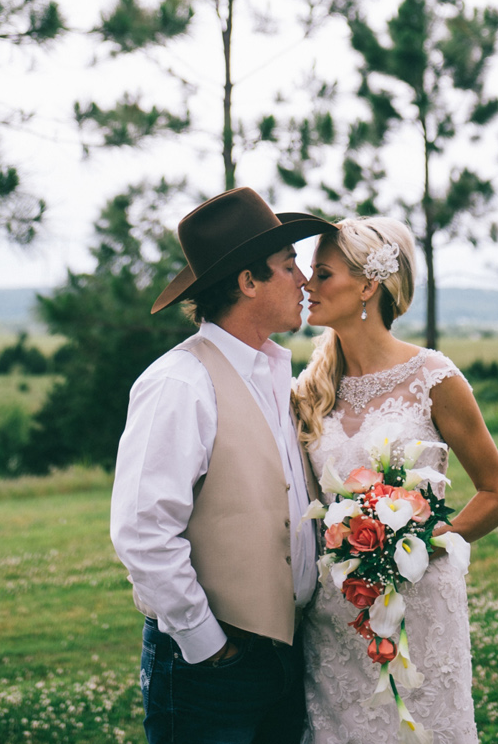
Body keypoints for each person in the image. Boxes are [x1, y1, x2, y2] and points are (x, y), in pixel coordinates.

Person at [110, 186, 337, 744]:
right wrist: (208, 645)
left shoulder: (275, 375)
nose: (303, 280)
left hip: (284, 653)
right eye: (289, 265)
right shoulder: (179, 382)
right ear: (248, 281)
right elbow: (142, 531)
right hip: (210, 668)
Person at [294, 217, 498, 744]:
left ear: (367, 286)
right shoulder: (310, 390)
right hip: (337, 616)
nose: (306, 284)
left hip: (420, 606)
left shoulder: (434, 378)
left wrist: (420, 545)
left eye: (322, 274)